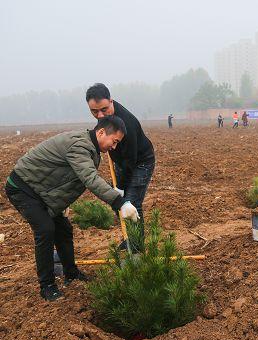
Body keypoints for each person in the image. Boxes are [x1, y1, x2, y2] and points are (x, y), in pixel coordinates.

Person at [5, 116, 139, 301]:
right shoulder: (80, 146)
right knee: (45, 230)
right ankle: (47, 287)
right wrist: (119, 203)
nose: (114, 147)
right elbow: (89, 179)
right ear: (101, 132)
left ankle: (71, 274)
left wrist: (62, 204)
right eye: (114, 141)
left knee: (64, 229)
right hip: (23, 188)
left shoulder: (91, 149)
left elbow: (71, 180)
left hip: (41, 191)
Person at [85, 83, 155, 238]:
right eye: (94, 111)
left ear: (111, 101)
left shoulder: (127, 124)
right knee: (118, 201)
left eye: (103, 109)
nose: (100, 115)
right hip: (121, 159)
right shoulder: (104, 116)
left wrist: (121, 186)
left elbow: (130, 162)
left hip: (140, 162)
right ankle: (129, 238)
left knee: (131, 203)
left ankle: (136, 249)